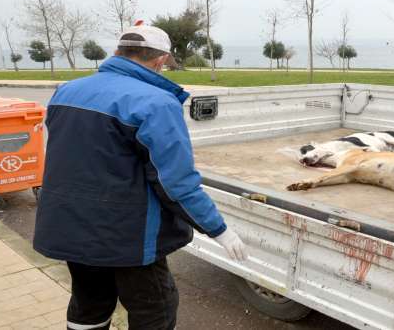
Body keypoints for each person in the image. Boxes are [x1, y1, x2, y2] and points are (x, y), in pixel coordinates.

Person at [33, 22, 248, 330]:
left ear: (117, 52)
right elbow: (176, 183)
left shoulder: (66, 91)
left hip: (70, 227)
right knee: (155, 310)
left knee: (89, 305)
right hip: (126, 239)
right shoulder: (155, 103)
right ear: (160, 60)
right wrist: (219, 230)